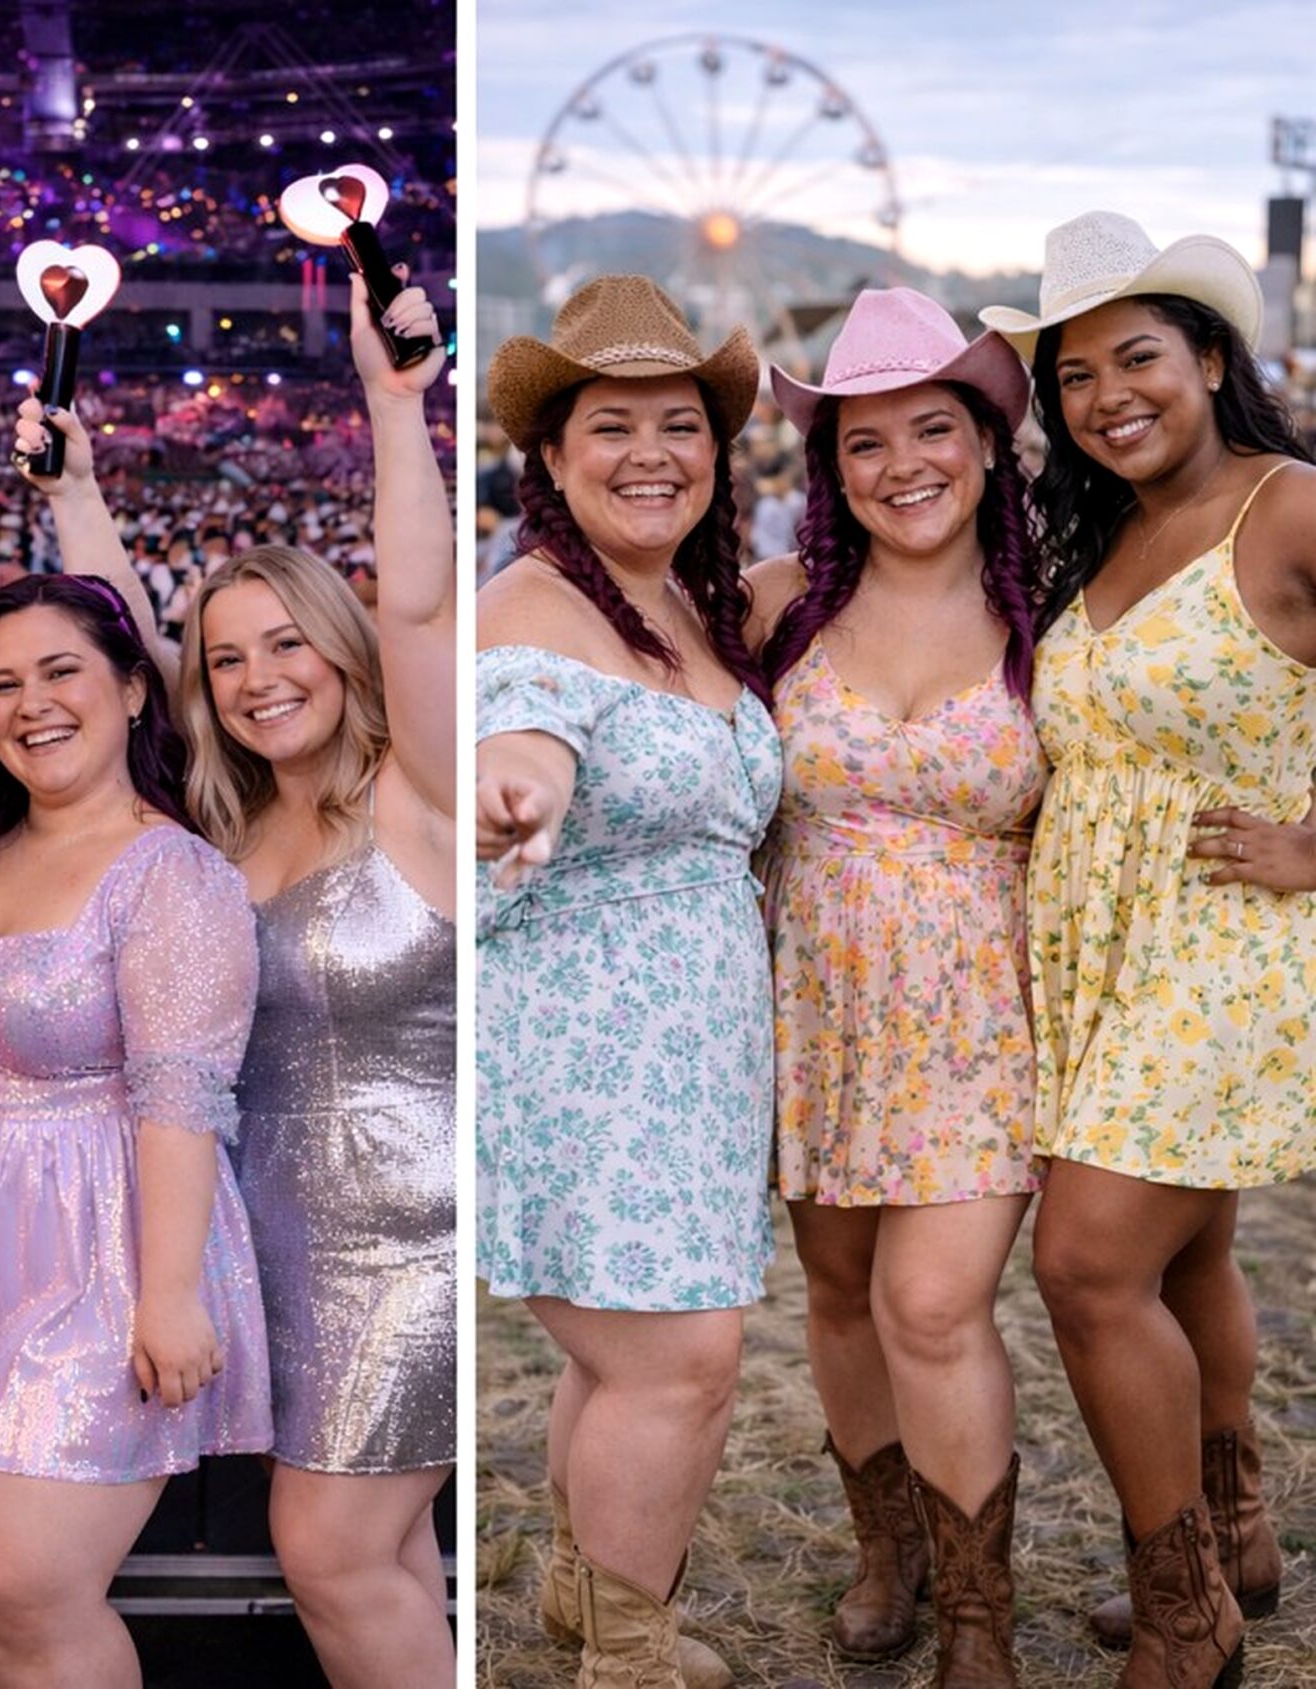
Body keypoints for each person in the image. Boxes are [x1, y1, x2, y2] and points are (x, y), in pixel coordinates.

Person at [40, 275, 458, 1686]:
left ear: (343, 647)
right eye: (228, 659)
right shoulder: (218, 831)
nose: (259, 677)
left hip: (407, 1240)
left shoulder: (416, 792)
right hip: (266, 1238)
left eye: (288, 643)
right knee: (378, 1557)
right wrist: (76, 492)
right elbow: (126, 648)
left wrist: (395, 409)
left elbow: (424, 605)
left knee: (332, 1550)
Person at [984, 210, 1316, 1688]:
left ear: (1211, 361)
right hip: (1099, 950)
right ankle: (1235, 1534)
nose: (1108, 396)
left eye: (1138, 359)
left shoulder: (1288, 508)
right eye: (1074, 377)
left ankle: (1184, 1611)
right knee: (1187, 1259)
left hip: (1224, 945)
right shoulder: (1104, 533)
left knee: (1085, 1264)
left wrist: (1315, 849)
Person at [474, 275, 773, 1687]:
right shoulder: (527, 611)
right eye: (612, 425)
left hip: (689, 1065)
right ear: (550, 455)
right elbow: (522, 738)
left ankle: (583, 1597)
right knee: (679, 1362)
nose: (651, 453)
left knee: (619, 1358)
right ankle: (631, 1658)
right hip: (583, 1057)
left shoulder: (689, 609)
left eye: (680, 424)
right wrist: (515, 798)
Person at [750, 289, 1047, 1686]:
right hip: (815, 1006)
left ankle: (980, 1611)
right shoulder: (776, 611)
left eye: (932, 429)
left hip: (983, 1011)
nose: (902, 465)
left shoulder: (1054, 613)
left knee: (930, 1304)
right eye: (864, 443)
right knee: (838, 1288)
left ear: (986, 443)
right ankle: (891, 1548)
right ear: (831, 469)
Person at [0, 571, 269, 1689]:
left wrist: (170, 1295)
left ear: (131, 689)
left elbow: (182, 1094)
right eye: (3, 683)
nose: (31, 704)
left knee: (26, 1585)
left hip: (99, 1248)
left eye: (60, 671)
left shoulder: (172, 873)